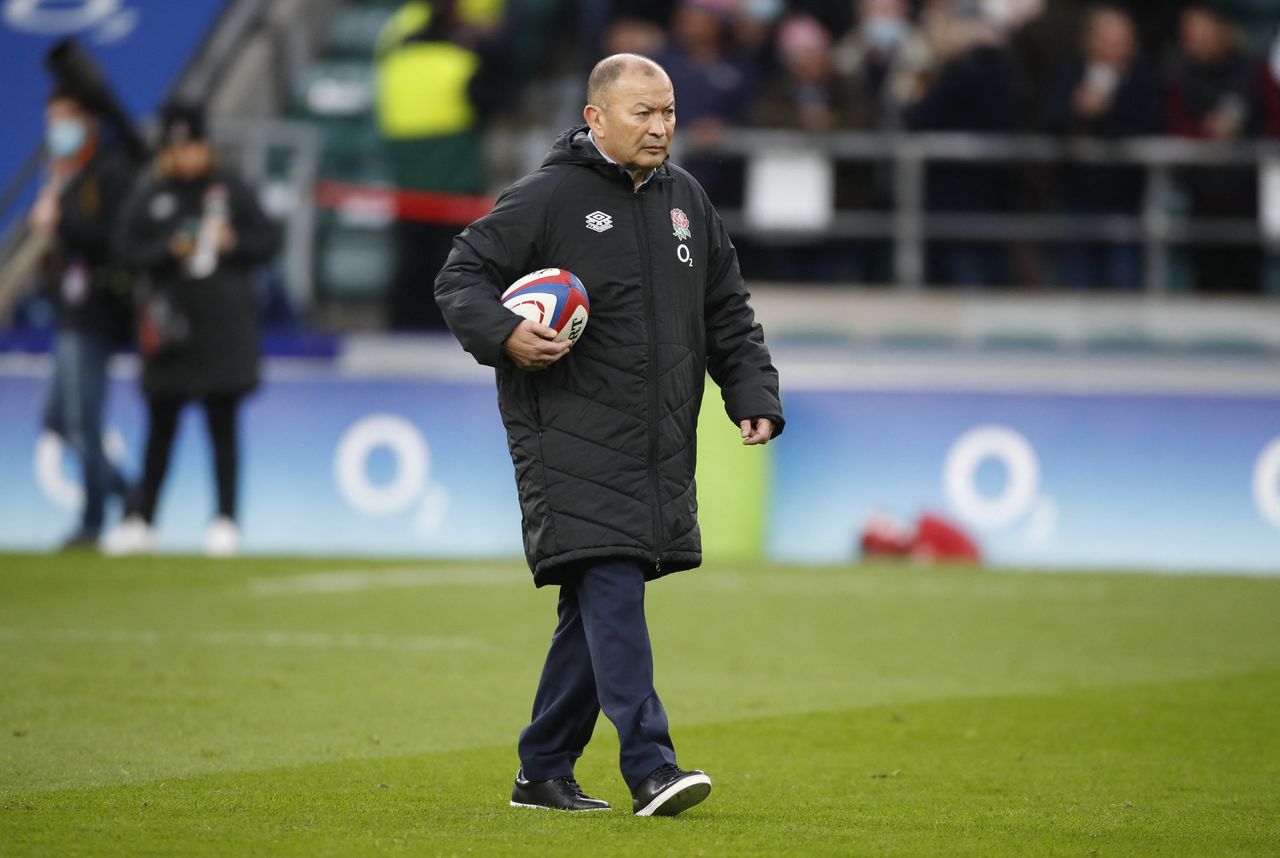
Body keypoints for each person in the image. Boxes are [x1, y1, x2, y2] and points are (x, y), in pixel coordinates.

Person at [435, 53, 784, 815]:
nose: (660, 127)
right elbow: (460, 276)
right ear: (595, 117)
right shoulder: (547, 196)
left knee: (593, 611)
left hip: (657, 440)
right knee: (615, 590)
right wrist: (505, 333)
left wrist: (752, 392)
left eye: (668, 112)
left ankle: (542, 772)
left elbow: (726, 310)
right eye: (643, 113)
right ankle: (652, 768)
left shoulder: (686, 199)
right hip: (567, 435)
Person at [106, 102, 280, 556]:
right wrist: (168, 249)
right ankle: (143, 520)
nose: (185, 156)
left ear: (206, 146)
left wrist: (233, 242)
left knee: (222, 426)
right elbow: (123, 251)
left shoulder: (231, 189)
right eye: (177, 148)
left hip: (222, 330)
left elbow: (269, 240)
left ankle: (225, 520)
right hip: (169, 332)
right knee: (160, 428)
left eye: (193, 146)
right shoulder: (151, 194)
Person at [28, 86, 139, 549]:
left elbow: (113, 239)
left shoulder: (109, 170)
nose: (58, 129)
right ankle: (127, 492)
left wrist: (61, 220)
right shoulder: (63, 173)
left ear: (89, 121)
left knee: (82, 421)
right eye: (52, 119)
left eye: (66, 118)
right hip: (70, 310)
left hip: (97, 312)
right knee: (56, 418)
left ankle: (92, 521)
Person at [1042, 5, 1162, 290]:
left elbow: (1150, 126)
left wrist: (1108, 112)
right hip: (1077, 195)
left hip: (1124, 197)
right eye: (1110, 39)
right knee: (1077, 280)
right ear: (1091, 41)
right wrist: (1078, 109)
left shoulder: (1142, 78)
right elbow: (1048, 121)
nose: (1118, 48)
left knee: (1123, 278)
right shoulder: (1071, 73)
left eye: (1123, 40)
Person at [1167, 5, 1265, 294]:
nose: (1194, 41)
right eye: (1189, 35)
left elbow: (1271, 119)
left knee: (1247, 276)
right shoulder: (1178, 73)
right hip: (1202, 190)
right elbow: (1173, 122)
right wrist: (1205, 134)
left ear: (1222, 32)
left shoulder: (1253, 71)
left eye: (1202, 33)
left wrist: (1241, 132)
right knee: (1207, 277)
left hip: (1247, 189)